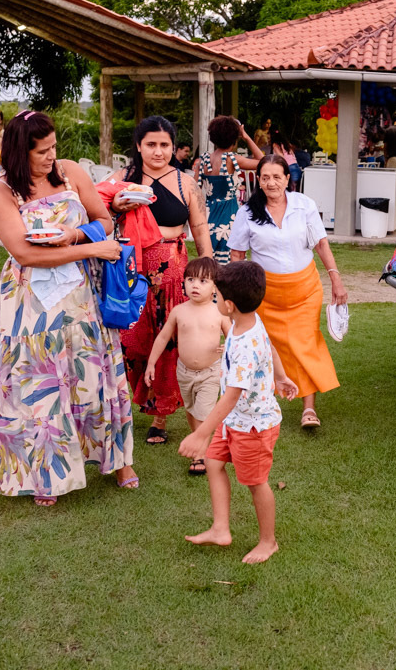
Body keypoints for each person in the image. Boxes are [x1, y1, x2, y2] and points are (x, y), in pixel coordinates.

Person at [0, 110, 137, 506]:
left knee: (92, 371)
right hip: (31, 300)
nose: (52, 156)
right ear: (20, 152)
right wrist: (91, 249)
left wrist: (75, 234)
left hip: (81, 294)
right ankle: (46, 471)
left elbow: (104, 220)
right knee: (40, 381)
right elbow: (25, 254)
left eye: (53, 147)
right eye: (42, 151)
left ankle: (119, 460)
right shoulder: (0, 192)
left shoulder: (69, 173)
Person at [178, 260, 298, 564]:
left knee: (256, 483)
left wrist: (200, 434)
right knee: (213, 462)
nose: (214, 298)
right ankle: (220, 529)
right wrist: (281, 377)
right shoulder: (248, 321)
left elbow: (231, 396)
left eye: (217, 295)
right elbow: (270, 347)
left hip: (253, 426)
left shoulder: (245, 345)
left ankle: (268, 542)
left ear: (229, 305)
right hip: (235, 420)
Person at [101, 116, 213, 444]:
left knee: (169, 342)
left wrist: (209, 271)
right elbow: (97, 215)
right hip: (129, 271)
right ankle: (122, 405)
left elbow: (200, 228)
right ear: (138, 146)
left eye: (165, 145)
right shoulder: (122, 180)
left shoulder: (185, 183)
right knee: (130, 341)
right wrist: (115, 206)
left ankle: (160, 416)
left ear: (173, 147)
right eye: (151, 144)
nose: (158, 151)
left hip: (172, 273)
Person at [228, 155, 347, 430]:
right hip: (265, 294)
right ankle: (262, 402)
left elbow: (321, 244)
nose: (271, 183)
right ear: (259, 180)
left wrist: (336, 280)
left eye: (276, 177)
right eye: (265, 177)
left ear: (287, 178)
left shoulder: (304, 205)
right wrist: (239, 292)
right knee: (267, 347)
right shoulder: (247, 212)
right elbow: (237, 254)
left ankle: (309, 409)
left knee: (305, 343)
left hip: (305, 290)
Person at [145, 256, 230, 476]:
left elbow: (233, 337)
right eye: (190, 279)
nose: (195, 285)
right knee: (192, 410)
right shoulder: (179, 311)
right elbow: (163, 337)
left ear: (215, 287)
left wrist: (229, 346)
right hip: (184, 372)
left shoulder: (219, 312)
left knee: (203, 412)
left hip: (210, 372)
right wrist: (151, 364)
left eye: (203, 281)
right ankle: (198, 439)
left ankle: (200, 454)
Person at [193, 116, 264, 264]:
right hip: (228, 213)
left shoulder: (203, 160)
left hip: (209, 213)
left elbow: (194, 191)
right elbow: (263, 162)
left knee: (210, 258)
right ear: (234, 138)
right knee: (230, 261)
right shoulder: (232, 159)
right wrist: (246, 137)